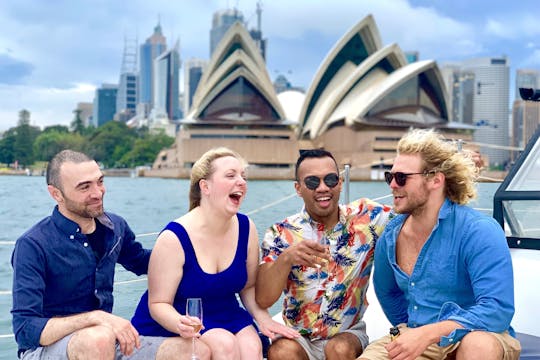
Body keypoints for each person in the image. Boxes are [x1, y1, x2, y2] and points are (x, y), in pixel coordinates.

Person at [11, 149, 197, 360]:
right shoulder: (33, 244)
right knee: (97, 339)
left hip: (105, 340)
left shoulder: (115, 226)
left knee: (194, 350)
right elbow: (26, 329)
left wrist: (194, 246)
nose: (98, 193)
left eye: (99, 181)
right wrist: (97, 319)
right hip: (46, 349)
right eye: (84, 187)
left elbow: (143, 262)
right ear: (56, 194)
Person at [359, 129, 521, 360]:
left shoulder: (478, 230)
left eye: (402, 177)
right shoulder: (390, 236)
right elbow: (387, 292)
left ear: (436, 180)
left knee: (478, 346)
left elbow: (496, 310)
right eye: (390, 177)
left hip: (479, 333)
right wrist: (412, 333)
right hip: (417, 334)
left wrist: (428, 334)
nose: (393, 185)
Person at [130, 147, 298, 360]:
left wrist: (263, 319)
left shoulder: (247, 228)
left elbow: (248, 286)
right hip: (179, 319)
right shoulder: (173, 238)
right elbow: (158, 304)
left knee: (251, 346)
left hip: (227, 313)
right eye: (231, 175)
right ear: (205, 186)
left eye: (243, 176)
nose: (242, 182)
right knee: (224, 345)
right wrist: (181, 324)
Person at [256, 149, 393, 360]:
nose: (323, 188)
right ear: (298, 188)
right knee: (281, 352)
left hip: (348, 334)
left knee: (338, 349)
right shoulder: (281, 233)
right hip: (299, 336)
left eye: (330, 180)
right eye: (312, 182)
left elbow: (413, 214)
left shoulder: (368, 217)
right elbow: (263, 299)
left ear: (339, 183)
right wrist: (287, 258)